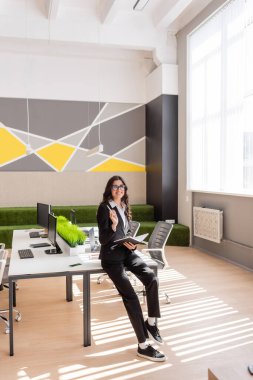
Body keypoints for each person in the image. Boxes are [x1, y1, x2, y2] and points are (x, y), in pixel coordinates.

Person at [96, 175, 166, 362]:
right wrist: (113, 225)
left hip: (126, 253)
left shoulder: (124, 206)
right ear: (109, 189)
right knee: (131, 296)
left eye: (121, 186)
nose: (119, 189)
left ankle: (151, 323)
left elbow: (125, 234)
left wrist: (132, 244)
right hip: (111, 258)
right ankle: (143, 346)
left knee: (151, 278)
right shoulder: (105, 208)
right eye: (114, 186)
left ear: (125, 189)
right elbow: (103, 239)